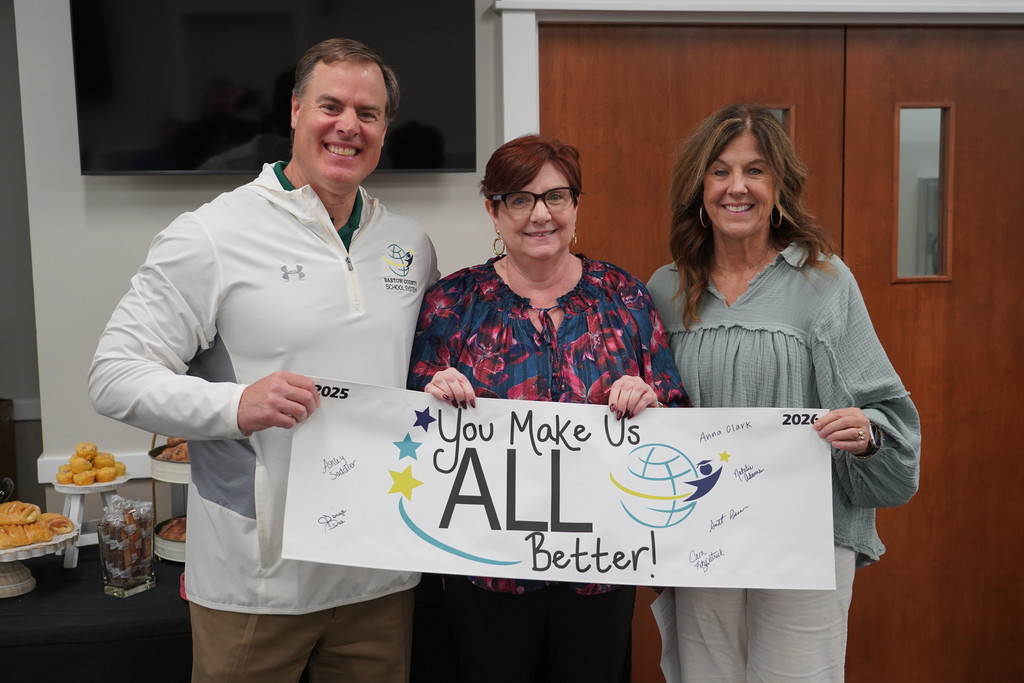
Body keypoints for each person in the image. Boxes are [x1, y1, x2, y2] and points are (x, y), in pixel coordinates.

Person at [89, 38, 439, 683]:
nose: (348, 126)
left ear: (386, 129)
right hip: (258, 578)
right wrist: (235, 404)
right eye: (331, 105)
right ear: (296, 110)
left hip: (379, 572)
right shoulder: (210, 236)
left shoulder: (408, 245)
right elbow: (113, 377)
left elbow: (415, 378)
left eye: (369, 113)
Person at [647, 103, 922, 682]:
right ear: (700, 186)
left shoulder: (824, 282)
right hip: (703, 536)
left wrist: (867, 434)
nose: (736, 187)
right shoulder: (666, 289)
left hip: (807, 537)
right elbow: (651, 411)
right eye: (719, 171)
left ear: (780, 187)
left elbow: (885, 415)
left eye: (755, 171)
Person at [407, 134, 690, 683]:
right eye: (520, 198)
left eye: (556, 197)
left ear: (576, 205)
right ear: (493, 209)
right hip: (486, 572)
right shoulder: (452, 303)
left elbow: (674, 410)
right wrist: (431, 390)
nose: (540, 214)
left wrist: (649, 398)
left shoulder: (624, 297)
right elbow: (412, 424)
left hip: (600, 568)